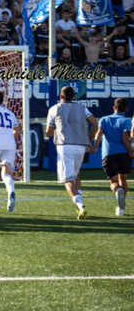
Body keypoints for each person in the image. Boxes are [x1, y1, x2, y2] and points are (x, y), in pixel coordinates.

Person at [46, 85, 98, 219]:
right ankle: (79, 203)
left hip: (65, 146)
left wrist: (56, 131)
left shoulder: (54, 108)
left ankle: (81, 206)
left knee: (68, 179)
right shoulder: (82, 108)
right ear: (73, 96)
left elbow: (48, 132)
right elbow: (95, 123)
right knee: (75, 175)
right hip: (81, 146)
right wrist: (89, 140)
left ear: (60, 96)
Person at [93, 98, 133, 216]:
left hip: (109, 153)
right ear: (126, 109)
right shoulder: (127, 121)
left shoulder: (104, 119)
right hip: (123, 154)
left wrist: (95, 146)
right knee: (123, 179)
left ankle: (117, 189)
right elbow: (125, 138)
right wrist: (130, 150)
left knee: (113, 181)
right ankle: (121, 209)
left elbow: (99, 133)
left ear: (114, 108)